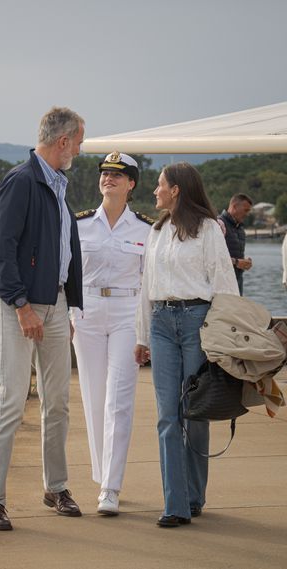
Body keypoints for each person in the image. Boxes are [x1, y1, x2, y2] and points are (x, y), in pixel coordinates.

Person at [0, 107, 85, 531]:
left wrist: (67, 307)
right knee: (10, 400)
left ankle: (55, 488)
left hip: (55, 305)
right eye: (79, 141)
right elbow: (1, 251)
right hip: (16, 305)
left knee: (57, 401)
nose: (79, 149)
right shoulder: (21, 181)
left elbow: (64, 253)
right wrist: (22, 306)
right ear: (63, 142)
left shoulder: (58, 186)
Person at [134, 162, 239, 528]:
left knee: (195, 412)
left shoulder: (209, 229)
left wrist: (224, 340)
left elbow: (225, 283)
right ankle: (175, 504)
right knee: (167, 415)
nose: (155, 191)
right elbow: (147, 286)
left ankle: (194, 496)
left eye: (160, 185)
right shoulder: (157, 230)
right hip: (161, 323)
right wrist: (141, 336)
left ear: (176, 189)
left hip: (197, 322)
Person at [70, 151, 152, 516]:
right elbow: (66, 273)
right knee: (93, 396)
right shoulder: (80, 224)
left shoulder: (147, 229)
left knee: (119, 401)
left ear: (131, 184)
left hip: (125, 313)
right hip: (85, 313)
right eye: (105, 173)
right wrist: (69, 314)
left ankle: (111, 487)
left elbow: (150, 284)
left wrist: (145, 332)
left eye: (118, 175)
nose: (109, 179)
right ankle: (102, 473)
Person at [218, 193, 253, 294]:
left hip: (237, 284)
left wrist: (245, 263)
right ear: (234, 207)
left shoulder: (240, 229)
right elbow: (211, 257)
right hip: (221, 286)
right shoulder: (218, 225)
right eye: (246, 210)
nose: (247, 214)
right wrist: (237, 262)